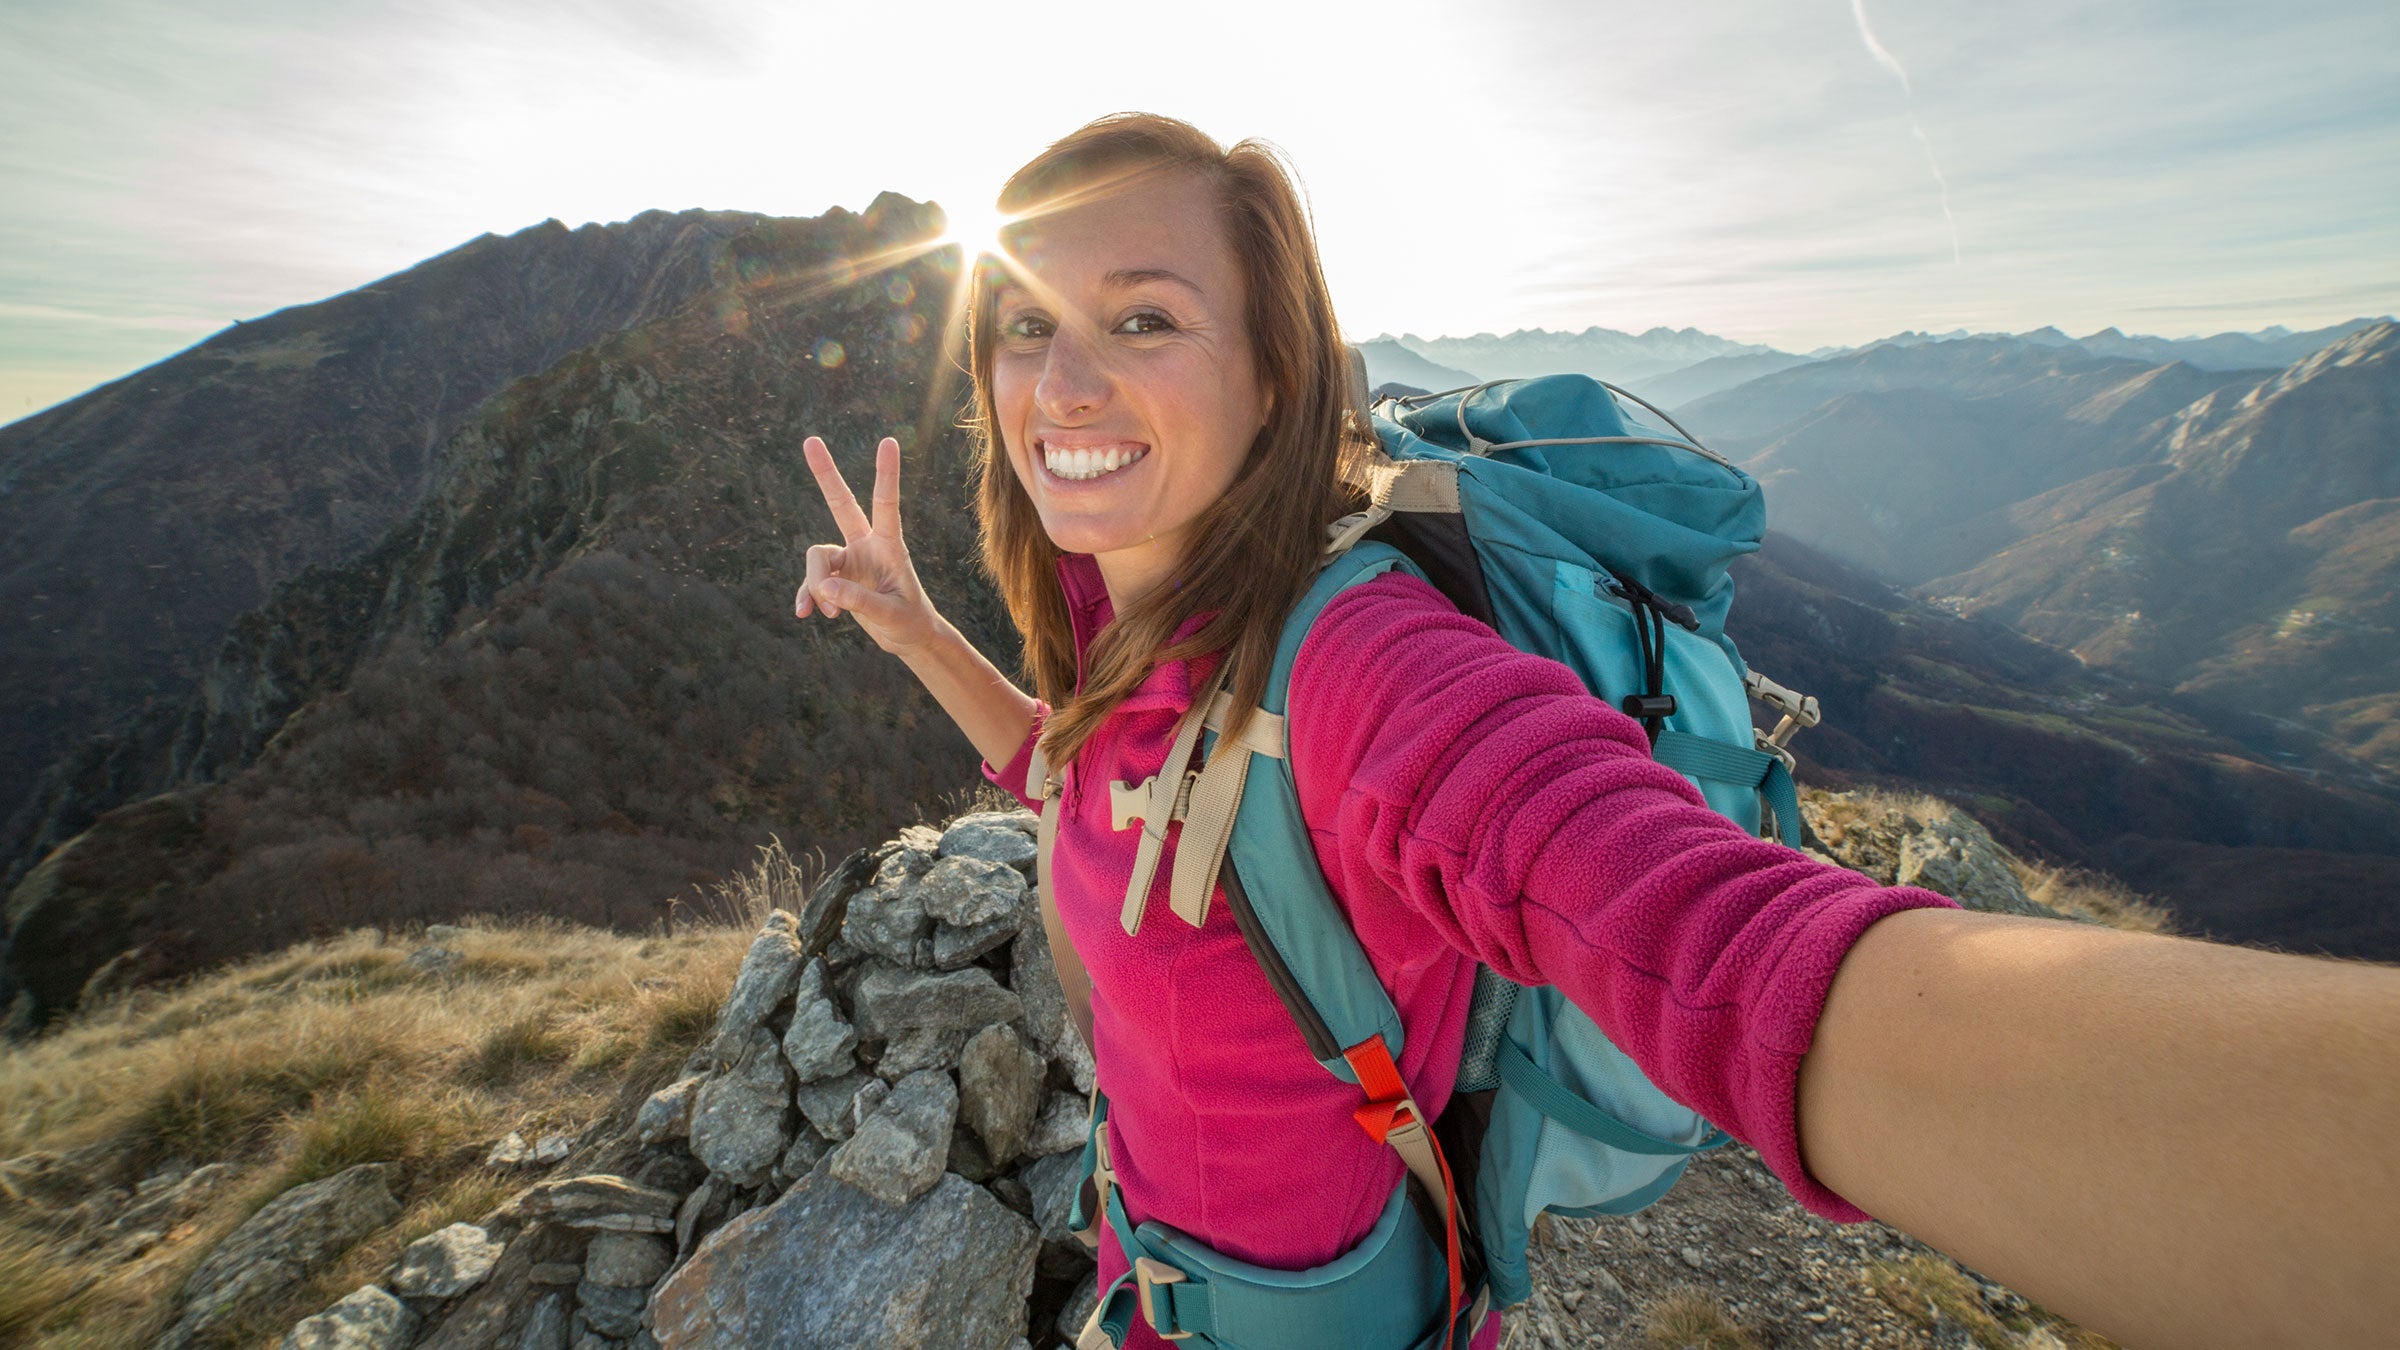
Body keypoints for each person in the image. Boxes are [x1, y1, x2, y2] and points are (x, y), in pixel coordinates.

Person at [793, 112, 2400, 1349]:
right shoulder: (1133, 598)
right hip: (1162, 1270)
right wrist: (913, 624)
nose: (1060, 381)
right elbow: (1088, 772)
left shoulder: (1361, 677)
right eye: (1023, 321)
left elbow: (1720, 944)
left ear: (1277, 376)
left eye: (1142, 319)